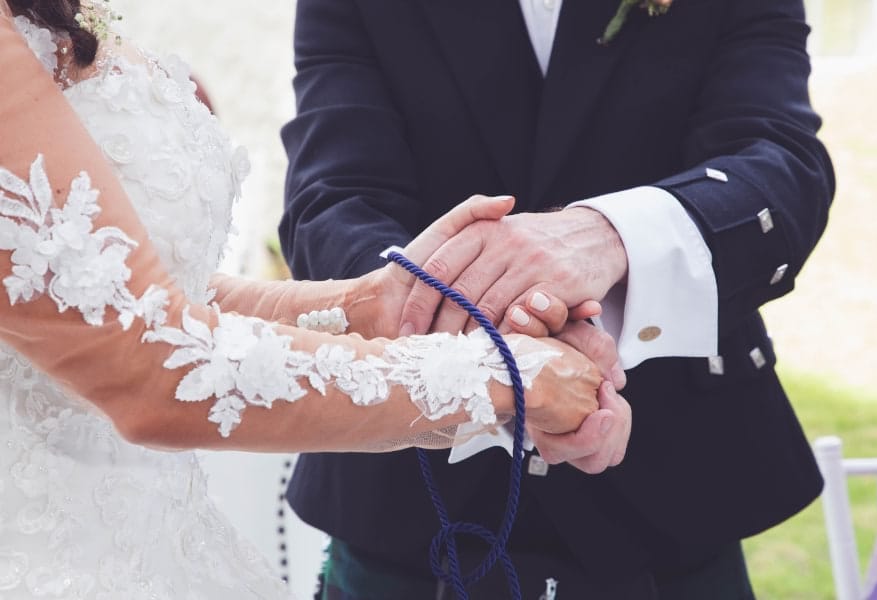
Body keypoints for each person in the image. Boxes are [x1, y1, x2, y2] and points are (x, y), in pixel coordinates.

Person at [0, 2, 615, 598]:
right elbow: (149, 366)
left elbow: (124, 297)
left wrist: (369, 304)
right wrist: (508, 374)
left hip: (161, 547)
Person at [280, 0, 836, 597]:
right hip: (408, 503)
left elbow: (780, 169)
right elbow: (333, 202)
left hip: (675, 491)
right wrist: (511, 344)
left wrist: (606, 238)